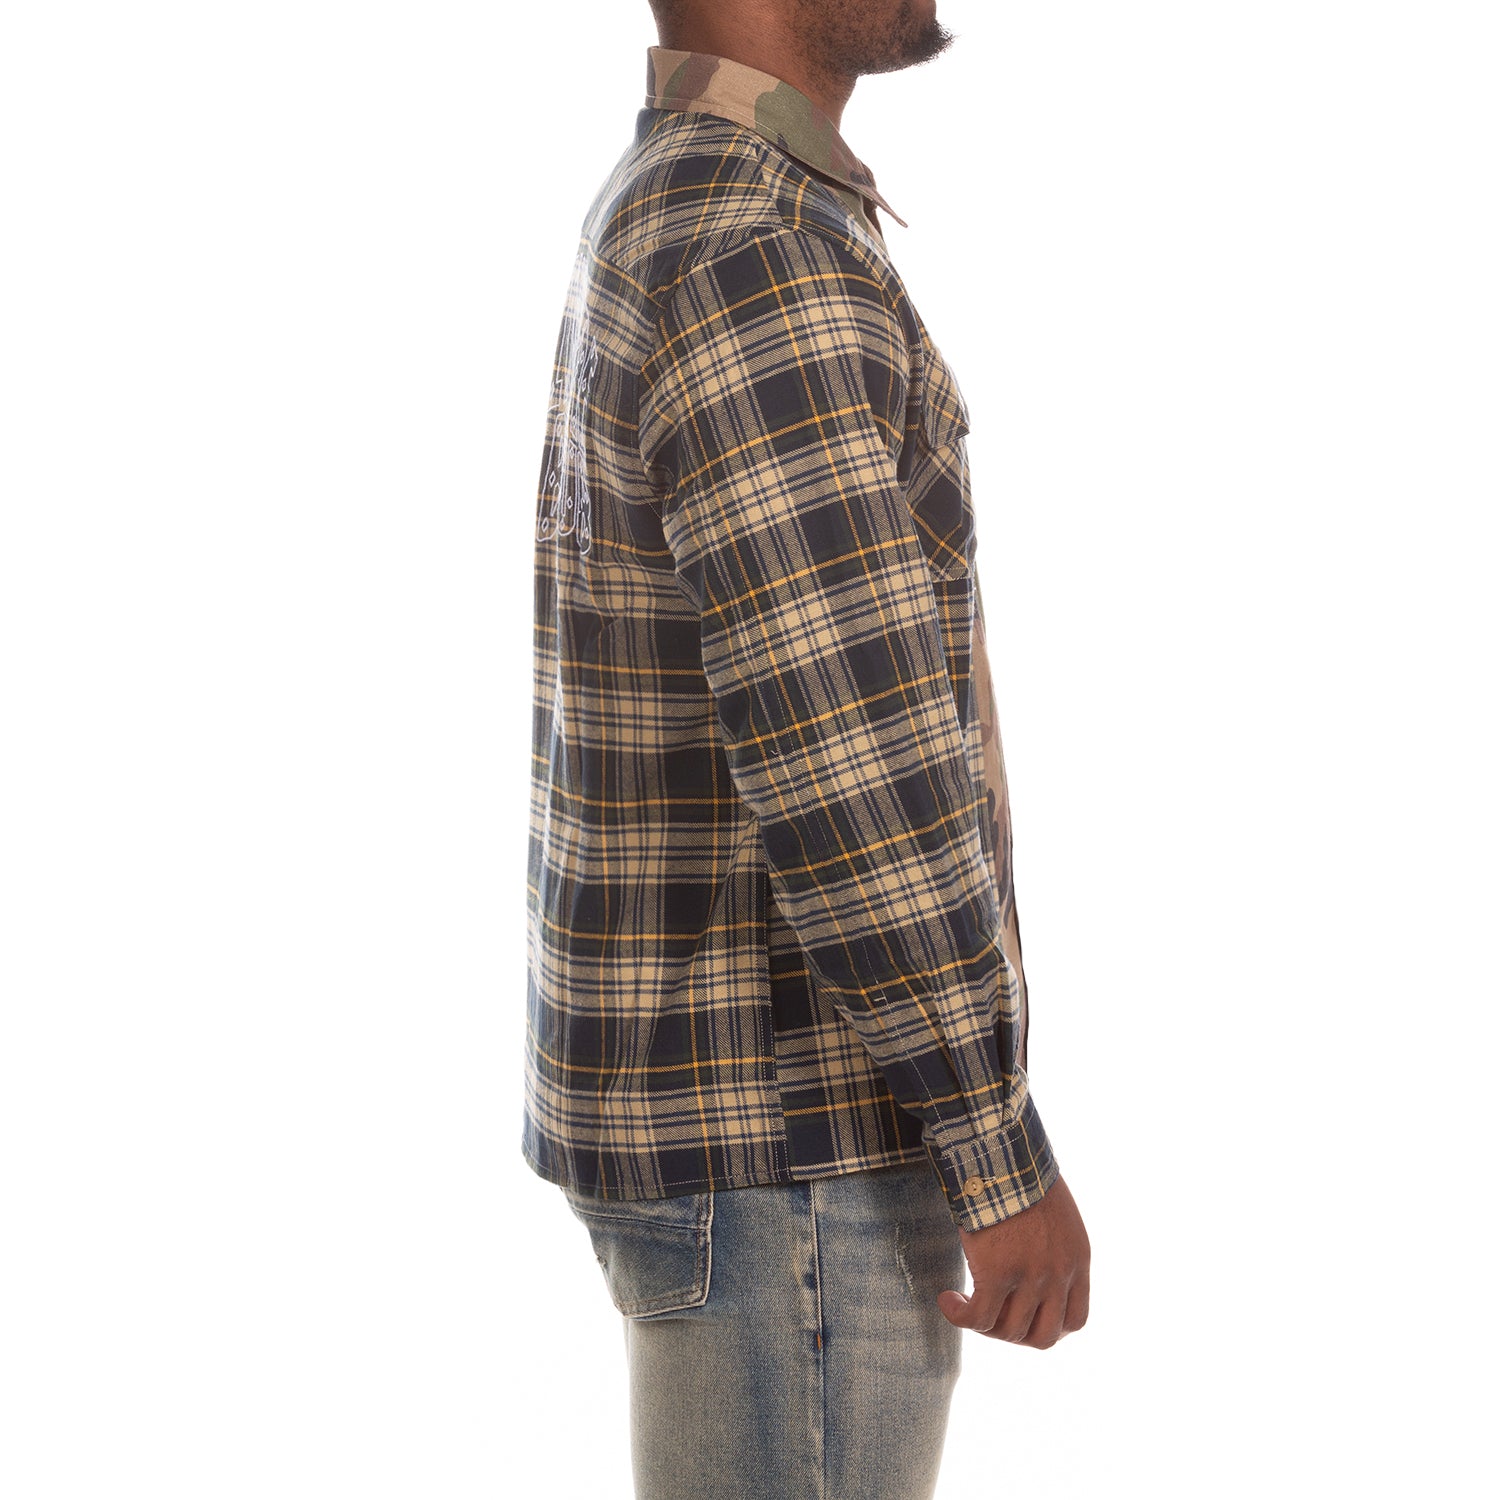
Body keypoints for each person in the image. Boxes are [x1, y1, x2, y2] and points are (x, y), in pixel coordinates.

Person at [523, 2, 1091, 1494]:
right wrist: (998, 1151)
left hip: (755, 1143)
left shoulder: (698, 202)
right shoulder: (752, 243)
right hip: (794, 1151)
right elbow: (850, 756)